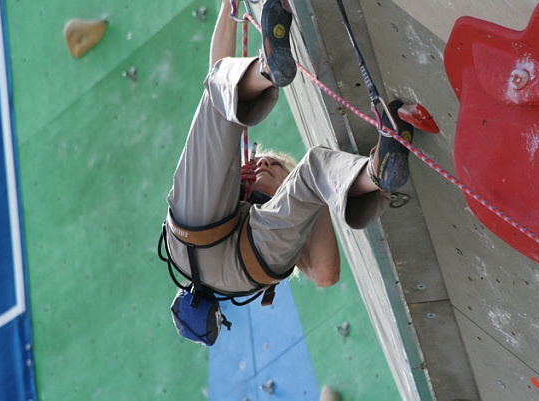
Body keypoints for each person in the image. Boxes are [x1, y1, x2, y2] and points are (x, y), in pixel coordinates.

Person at [163, 0, 412, 304]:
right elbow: (325, 275)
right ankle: (375, 172)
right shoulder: (287, 233)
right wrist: (315, 194)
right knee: (318, 167)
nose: (263, 163)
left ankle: (268, 69)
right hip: (247, 263)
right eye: (275, 164)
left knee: (220, 93)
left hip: (194, 241)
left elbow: (219, 80)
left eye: (265, 162)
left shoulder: (228, 194)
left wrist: (229, 5)